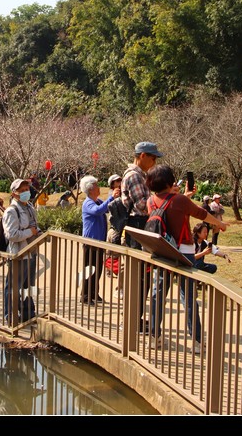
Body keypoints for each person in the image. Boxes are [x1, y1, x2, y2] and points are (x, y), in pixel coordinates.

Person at [145, 164, 229, 352]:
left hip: (162, 251)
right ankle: (197, 342)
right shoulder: (180, 200)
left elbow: (169, 209)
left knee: (158, 294)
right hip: (184, 252)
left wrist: (183, 196)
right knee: (189, 297)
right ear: (169, 181)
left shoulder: (151, 201)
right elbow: (202, 214)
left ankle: (154, 338)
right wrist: (220, 224)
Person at [120, 141, 162, 326]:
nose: (154, 162)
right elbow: (142, 205)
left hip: (138, 226)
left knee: (141, 275)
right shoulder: (135, 176)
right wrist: (161, 198)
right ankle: (131, 320)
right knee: (139, 276)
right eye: (153, 158)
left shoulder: (140, 175)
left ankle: (133, 318)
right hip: (138, 225)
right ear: (142, 156)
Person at [2, 178, 41, 323]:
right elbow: (11, 234)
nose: (26, 192)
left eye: (27, 189)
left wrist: (38, 232)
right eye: (22, 190)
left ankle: (28, 313)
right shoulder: (11, 211)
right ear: (14, 193)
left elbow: (34, 225)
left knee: (28, 285)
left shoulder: (29, 207)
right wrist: (30, 232)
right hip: (19, 254)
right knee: (14, 286)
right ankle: (10, 315)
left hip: (31, 251)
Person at [79, 175, 122, 304]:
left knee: (97, 270)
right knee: (90, 270)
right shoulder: (88, 203)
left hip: (98, 242)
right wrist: (111, 198)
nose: (99, 188)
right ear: (90, 189)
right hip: (90, 242)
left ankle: (93, 293)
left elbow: (106, 207)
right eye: (96, 186)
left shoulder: (97, 201)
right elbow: (98, 211)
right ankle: (85, 296)